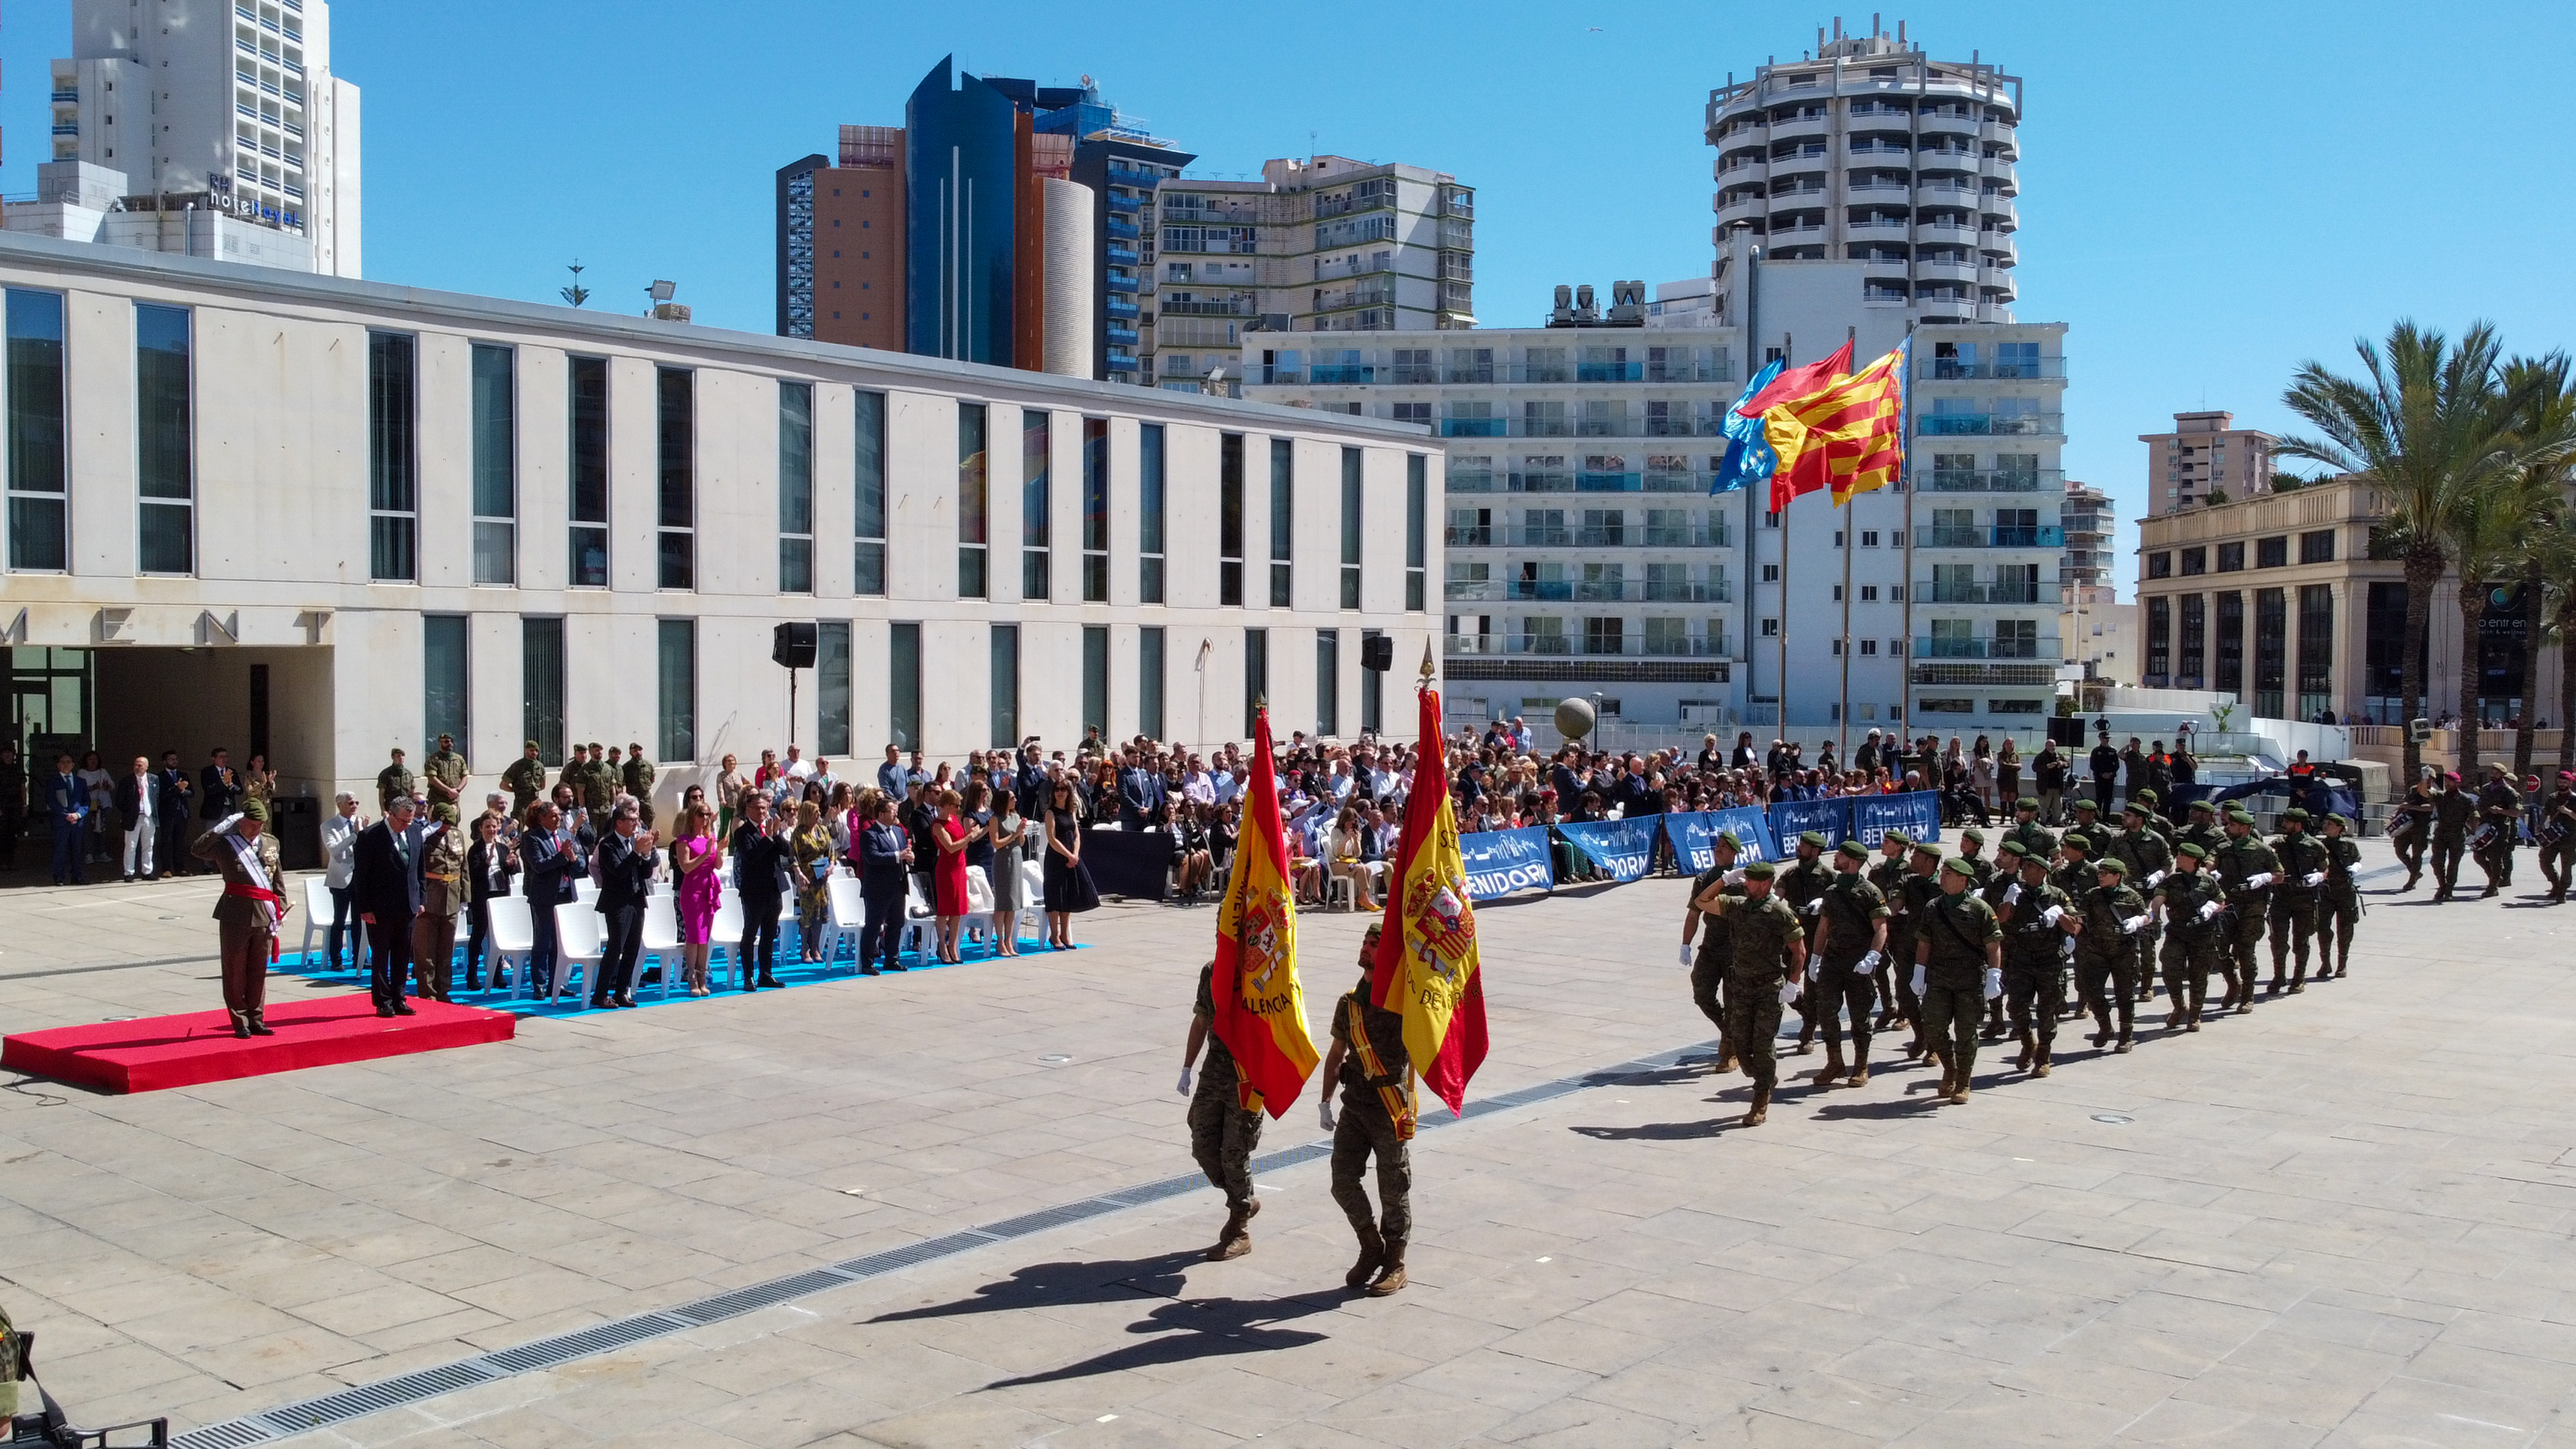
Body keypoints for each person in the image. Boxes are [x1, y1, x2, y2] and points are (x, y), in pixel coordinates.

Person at [1316, 924, 1414, 1294]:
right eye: (1365, 943)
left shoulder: (1402, 1001)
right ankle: (1370, 1244)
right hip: (1355, 1104)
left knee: (1393, 1186)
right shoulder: (1350, 1002)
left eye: (1374, 945)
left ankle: (1395, 1262)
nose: (1366, 949)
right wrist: (1324, 1101)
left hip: (1389, 1105)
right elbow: (1336, 1053)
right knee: (1342, 1180)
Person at [1179, 957, 1266, 1262]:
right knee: (1202, 1145)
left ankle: (1239, 1228)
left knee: (1234, 1151)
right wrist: (1187, 1066)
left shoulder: (1264, 971)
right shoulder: (1213, 971)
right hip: (1215, 1069)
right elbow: (1202, 1018)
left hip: (1247, 1074)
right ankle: (1243, 1198)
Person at [1714, 861, 1806, 1125]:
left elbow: (1799, 952)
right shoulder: (1738, 906)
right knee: (1741, 1044)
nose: (1745, 883)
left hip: (1769, 989)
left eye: (1750, 880)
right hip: (1741, 987)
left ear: (1765, 884)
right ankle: (1765, 1077)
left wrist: (1792, 984)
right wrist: (1726, 879)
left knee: (1763, 1044)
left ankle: (1760, 1099)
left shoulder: (1779, 912)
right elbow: (1702, 900)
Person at [191, 801, 291, 1037]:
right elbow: (197, 850)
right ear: (241, 821)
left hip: (265, 914)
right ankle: (240, 1021)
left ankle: (257, 1018)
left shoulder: (271, 842)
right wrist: (220, 828)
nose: (257, 828)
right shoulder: (226, 845)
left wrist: (280, 911)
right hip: (236, 913)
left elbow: (277, 879)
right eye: (252, 824)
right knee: (235, 970)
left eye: (260, 824)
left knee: (258, 970)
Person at [1913, 857, 2002, 1105]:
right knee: (1932, 1025)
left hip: (1969, 979)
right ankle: (1949, 1066)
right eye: (1943, 872)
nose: (1942, 876)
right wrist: (1919, 972)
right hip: (1939, 977)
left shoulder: (1980, 909)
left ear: (1963, 880)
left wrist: (1994, 976)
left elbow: (1993, 944)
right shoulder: (1933, 907)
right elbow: (1924, 941)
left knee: (1966, 1032)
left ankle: (1962, 1080)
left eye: (1948, 874)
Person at [1810, 840, 1891, 1089]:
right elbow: (1823, 927)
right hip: (1833, 960)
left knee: (1860, 1016)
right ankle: (1835, 1061)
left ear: (1853, 862)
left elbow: (1882, 929)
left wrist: (1872, 957)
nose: (1837, 857)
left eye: (1842, 855)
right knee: (1826, 1011)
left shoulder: (1870, 892)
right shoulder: (1832, 891)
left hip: (1858, 962)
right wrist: (1815, 958)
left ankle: (1861, 1065)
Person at [1999, 847, 2080, 1076]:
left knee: (2047, 1011)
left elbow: (2073, 926)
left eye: (2030, 867)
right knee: (2015, 1006)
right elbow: (2001, 920)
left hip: (2049, 961)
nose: (2024, 870)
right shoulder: (2017, 892)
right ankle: (2027, 1042)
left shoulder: (2056, 895)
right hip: (2021, 959)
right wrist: (2007, 901)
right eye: (2023, 866)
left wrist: (2059, 914)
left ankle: (2043, 1055)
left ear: (2043, 871)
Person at [1682, 831, 1751, 1073]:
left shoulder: (1743, 880)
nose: (1718, 849)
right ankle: (1729, 1032)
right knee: (1701, 992)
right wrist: (1685, 944)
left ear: (1734, 852)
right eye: (1717, 845)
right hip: (1712, 944)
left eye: (1724, 847)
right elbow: (1693, 913)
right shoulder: (1704, 879)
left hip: (1735, 947)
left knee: (1733, 1001)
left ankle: (1730, 1052)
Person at [351, 795, 424, 1018]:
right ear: (390, 814)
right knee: (381, 955)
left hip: (408, 905)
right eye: (402, 820)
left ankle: (399, 997)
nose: (406, 825)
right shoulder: (370, 836)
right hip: (380, 907)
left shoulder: (414, 832)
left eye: (410, 820)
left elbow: (419, 869)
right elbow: (361, 876)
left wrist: (421, 899)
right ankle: (383, 1001)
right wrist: (364, 908)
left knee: (403, 954)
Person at [2152, 841, 2228, 1031]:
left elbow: (2221, 901)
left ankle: (2194, 1015)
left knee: (2199, 974)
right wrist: (2153, 915)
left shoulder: (2208, 881)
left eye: (2182, 855)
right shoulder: (2171, 880)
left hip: (2202, 934)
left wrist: (2212, 907)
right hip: (2177, 932)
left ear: (2193, 859)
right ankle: (2179, 1006)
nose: (2177, 857)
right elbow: (2158, 900)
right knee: (2170, 968)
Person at [2076, 858, 2149, 1052]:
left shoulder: (2132, 896)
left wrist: (2137, 921)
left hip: (2124, 952)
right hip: (2096, 950)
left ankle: (2126, 1036)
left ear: (2117, 876)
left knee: (2125, 995)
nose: (2100, 876)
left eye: (2104, 873)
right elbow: (2080, 917)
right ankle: (2105, 1026)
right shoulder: (2092, 895)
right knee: (2092, 991)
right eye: (2099, 873)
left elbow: (2147, 916)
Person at [2212, 807, 2279, 1013]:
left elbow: (2279, 875)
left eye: (2232, 825)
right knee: (2218, 950)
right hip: (2228, 905)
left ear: (2245, 828)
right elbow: (2209, 862)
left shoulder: (2262, 850)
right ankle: (2233, 983)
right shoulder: (2223, 848)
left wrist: (2265, 878)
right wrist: (2209, 873)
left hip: (2253, 906)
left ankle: (2247, 997)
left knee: (2245, 950)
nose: (2227, 827)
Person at [520, 799, 590, 998]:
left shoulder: (566, 835)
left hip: (565, 894)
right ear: (542, 818)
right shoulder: (532, 838)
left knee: (561, 943)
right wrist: (563, 856)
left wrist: (573, 858)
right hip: (545, 897)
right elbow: (539, 865)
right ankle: (540, 984)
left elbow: (581, 865)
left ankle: (557, 982)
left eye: (559, 815)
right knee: (544, 941)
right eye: (552, 816)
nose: (558, 819)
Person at [594, 804, 657, 1008]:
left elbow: (646, 873)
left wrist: (646, 854)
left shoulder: (633, 842)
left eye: (637, 820)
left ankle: (622, 991)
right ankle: (601, 993)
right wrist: (637, 852)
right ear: (619, 822)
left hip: (636, 899)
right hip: (617, 902)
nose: (636, 824)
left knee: (633, 948)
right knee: (616, 947)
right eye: (632, 820)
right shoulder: (607, 845)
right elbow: (618, 872)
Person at [2264, 807, 2328, 993]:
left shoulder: (2315, 846)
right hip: (2281, 897)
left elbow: (2325, 869)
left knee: (2301, 941)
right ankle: (2279, 976)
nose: (2283, 824)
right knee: (2277, 939)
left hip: (2304, 899)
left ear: (2298, 825)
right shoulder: (2277, 844)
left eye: (2287, 822)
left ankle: (2299, 978)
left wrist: (2318, 877)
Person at [731, 793, 789, 989]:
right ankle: (748, 976)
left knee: (769, 934)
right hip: (754, 890)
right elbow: (751, 856)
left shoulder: (770, 829)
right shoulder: (743, 832)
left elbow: (787, 851)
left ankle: (766, 973)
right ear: (748, 810)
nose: (763, 812)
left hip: (774, 888)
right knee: (750, 933)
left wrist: (776, 835)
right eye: (758, 808)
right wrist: (769, 838)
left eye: (765, 808)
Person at [412, 804, 467, 1002]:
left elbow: (463, 868)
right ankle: (428, 994)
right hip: (430, 899)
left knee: (446, 951)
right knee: (426, 951)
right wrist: (431, 835)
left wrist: (464, 898)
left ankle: (444, 991)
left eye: (449, 824)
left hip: (451, 898)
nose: (446, 828)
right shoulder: (422, 835)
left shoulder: (457, 835)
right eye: (443, 823)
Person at [669, 803, 723, 994]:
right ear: (693, 816)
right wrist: (707, 853)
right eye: (701, 814)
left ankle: (702, 976)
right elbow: (686, 867)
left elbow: (717, 865)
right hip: (692, 891)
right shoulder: (684, 840)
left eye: (708, 814)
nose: (706, 818)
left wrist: (719, 851)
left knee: (705, 938)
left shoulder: (709, 837)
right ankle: (691, 977)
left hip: (708, 889)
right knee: (694, 937)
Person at [856, 796, 913, 975]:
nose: (896, 814)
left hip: (898, 884)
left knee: (896, 923)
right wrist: (898, 856)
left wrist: (909, 858)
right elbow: (872, 857)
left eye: (896, 811)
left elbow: (904, 853)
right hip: (878, 888)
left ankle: (892, 959)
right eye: (892, 811)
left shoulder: (898, 831)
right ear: (881, 814)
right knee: (873, 925)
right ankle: (867, 962)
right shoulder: (870, 834)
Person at [1042, 777, 1100, 949]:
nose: (1060, 792)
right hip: (1056, 857)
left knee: (1067, 896)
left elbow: (1076, 835)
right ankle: (1054, 935)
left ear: (1069, 792)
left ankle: (1065, 934)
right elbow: (1052, 839)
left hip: (1071, 858)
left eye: (1063, 789)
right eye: (1057, 789)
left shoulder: (1071, 811)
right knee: (1055, 896)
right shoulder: (1050, 813)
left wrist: (1075, 855)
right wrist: (1068, 855)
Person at [463, 812, 517, 992]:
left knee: (498, 936)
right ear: (481, 828)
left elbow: (511, 871)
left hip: (500, 894)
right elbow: (474, 874)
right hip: (482, 897)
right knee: (478, 935)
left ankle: (497, 973)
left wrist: (510, 863)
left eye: (494, 826)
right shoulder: (475, 849)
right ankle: (472, 974)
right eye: (488, 827)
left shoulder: (502, 848)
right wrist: (486, 861)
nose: (492, 830)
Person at [930, 788, 975, 965]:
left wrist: (971, 836)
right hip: (947, 869)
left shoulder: (954, 820)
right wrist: (969, 837)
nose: (957, 809)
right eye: (955, 806)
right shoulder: (938, 825)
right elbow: (950, 847)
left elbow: (961, 845)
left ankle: (954, 945)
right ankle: (942, 945)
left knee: (958, 910)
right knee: (945, 909)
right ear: (947, 805)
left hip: (959, 865)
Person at [2315, 813, 2362, 979]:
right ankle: (2325, 962)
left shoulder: (2348, 845)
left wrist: (2355, 867)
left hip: (2345, 892)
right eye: (2325, 823)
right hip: (2326, 892)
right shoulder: (2320, 844)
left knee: (2345, 929)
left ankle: (2342, 964)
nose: (2326, 826)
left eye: (2330, 824)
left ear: (2340, 828)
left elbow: (2357, 859)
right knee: (2322, 927)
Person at [320, 794, 362, 972]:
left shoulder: (359, 822)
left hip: (359, 877)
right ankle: (336, 959)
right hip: (340, 878)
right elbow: (335, 851)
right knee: (339, 920)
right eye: (351, 803)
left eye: (356, 802)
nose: (354, 806)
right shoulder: (329, 826)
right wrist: (354, 835)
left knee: (359, 921)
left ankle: (359, 958)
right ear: (340, 805)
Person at [789, 801, 834, 964]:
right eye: (814, 813)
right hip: (807, 878)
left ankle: (816, 947)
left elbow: (831, 851)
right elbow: (793, 856)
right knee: (808, 915)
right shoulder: (798, 833)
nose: (818, 816)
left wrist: (831, 866)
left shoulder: (822, 830)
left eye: (818, 813)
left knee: (820, 915)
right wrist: (799, 873)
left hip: (821, 877)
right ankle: (805, 949)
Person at [2474, 762, 2521, 897]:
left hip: (2500, 828)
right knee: (2478, 855)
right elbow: (2480, 805)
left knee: (2496, 858)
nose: (2493, 775)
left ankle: (2493, 886)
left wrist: (2500, 811)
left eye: (2496, 774)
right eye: (2492, 773)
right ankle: (2494, 877)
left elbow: (2516, 812)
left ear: (2502, 775)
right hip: (2485, 825)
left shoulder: (2509, 792)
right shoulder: (2486, 788)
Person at [2428, 771, 2474, 902]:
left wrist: (2474, 832)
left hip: (2457, 834)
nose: (2447, 784)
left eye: (2450, 782)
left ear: (2457, 783)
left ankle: (2449, 890)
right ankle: (2442, 886)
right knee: (2436, 862)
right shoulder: (2440, 796)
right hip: (2441, 834)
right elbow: (2425, 792)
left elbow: (2474, 815)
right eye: (2446, 781)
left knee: (2453, 864)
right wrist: (2426, 779)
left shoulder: (2465, 799)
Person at [42, 753, 86, 886]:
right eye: (63, 762)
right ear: (58, 765)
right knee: (60, 850)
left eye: (68, 762)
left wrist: (77, 815)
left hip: (77, 822)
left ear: (73, 765)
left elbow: (86, 802)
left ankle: (77, 876)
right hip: (61, 821)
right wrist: (66, 815)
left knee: (77, 850)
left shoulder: (81, 782)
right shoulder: (52, 781)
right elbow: (51, 801)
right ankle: (59, 877)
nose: (65, 764)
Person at [114, 755, 160, 881]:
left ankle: (147, 871)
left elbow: (156, 798)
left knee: (149, 845)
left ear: (146, 767)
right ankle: (129, 873)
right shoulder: (127, 781)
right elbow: (119, 801)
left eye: (140, 765)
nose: (137, 767)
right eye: (135, 765)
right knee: (131, 846)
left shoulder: (154, 779)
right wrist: (129, 811)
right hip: (133, 817)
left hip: (149, 816)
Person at [153, 750, 193, 878]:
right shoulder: (160, 777)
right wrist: (176, 789)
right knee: (167, 841)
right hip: (167, 813)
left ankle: (180, 867)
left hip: (182, 812)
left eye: (175, 759)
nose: (174, 761)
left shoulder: (183, 775)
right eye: (171, 759)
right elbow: (161, 795)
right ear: (165, 762)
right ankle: (166, 868)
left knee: (179, 842)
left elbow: (192, 792)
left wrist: (182, 791)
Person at [2538, 774, 2576, 904]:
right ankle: (2555, 883)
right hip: (2552, 837)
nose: (2562, 784)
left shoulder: (2574, 799)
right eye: (2560, 781)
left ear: (2570, 783)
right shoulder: (2552, 797)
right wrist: (2541, 825)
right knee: (2544, 861)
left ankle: (2562, 892)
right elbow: (2546, 813)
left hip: (2569, 837)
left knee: (2566, 866)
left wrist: (2568, 812)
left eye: (2565, 782)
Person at [423, 733, 467, 825]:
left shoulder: (459, 759)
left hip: (453, 801)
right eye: (446, 741)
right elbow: (432, 779)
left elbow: (465, 776)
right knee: (436, 827)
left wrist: (457, 790)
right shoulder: (433, 759)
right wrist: (449, 790)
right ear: (440, 743)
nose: (450, 743)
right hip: (437, 800)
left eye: (451, 741)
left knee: (453, 825)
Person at [500, 742, 547, 822]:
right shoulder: (517, 766)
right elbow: (503, 785)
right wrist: (517, 790)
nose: (534, 753)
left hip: (536, 801)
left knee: (539, 826)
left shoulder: (540, 766)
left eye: (536, 751)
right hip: (521, 803)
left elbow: (543, 786)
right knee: (518, 827)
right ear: (526, 750)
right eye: (531, 750)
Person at [623, 742, 657, 829]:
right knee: (633, 818)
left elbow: (652, 779)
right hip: (633, 797)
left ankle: (648, 835)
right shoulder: (627, 767)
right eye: (635, 751)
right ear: (631, 753)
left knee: (650, 816)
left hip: (645, 797)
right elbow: (624, 782)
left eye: (639, 750)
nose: (638, 752)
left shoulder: (648, 765)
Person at [376, 747, 415, 816]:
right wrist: (383, 810)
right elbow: (381, 794)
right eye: (398, 756)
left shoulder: (408, 774)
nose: (401, 758)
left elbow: (412, 793)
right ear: (393, 757)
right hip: (392, 809)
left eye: (403, 756)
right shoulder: (386, 774)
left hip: (406, 808)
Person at [2087, 733, 2120, 815]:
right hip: (2100, 778)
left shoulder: (2112, 751)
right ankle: (2097, 817)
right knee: (2099, 798)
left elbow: (2116, 764)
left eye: (2108, 738)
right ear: (2101, 739)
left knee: (2108, 799)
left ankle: (2106, 818)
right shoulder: (2096, 751)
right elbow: (2093, 765)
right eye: (2105, 738)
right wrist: (2102, 774)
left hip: (2110, 777)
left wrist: (2111, 773)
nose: (2107, 740)